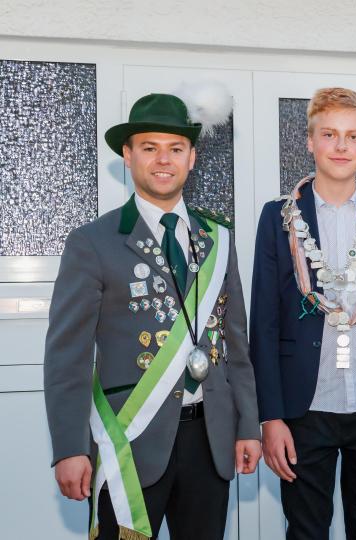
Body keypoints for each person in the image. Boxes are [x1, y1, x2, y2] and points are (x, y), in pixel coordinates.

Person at [44, 93, 261, 539]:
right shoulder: (93, 242)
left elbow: (236, 345)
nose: (164, 160)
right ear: (128, 155)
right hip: (130, 439)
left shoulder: (217, 237)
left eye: (175, 148)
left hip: (211, 439)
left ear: (192, 157)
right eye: (149, 147)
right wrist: (69, 448)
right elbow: (67, 357)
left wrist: (248, 427)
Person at [250, 87, 356, 539]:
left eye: (352, 136)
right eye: (329, 134)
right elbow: (264, 324)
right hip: (304, 405)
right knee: (306, 530)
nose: (341, 146)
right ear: (310, 141)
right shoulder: (278, 218)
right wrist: (270, 417)